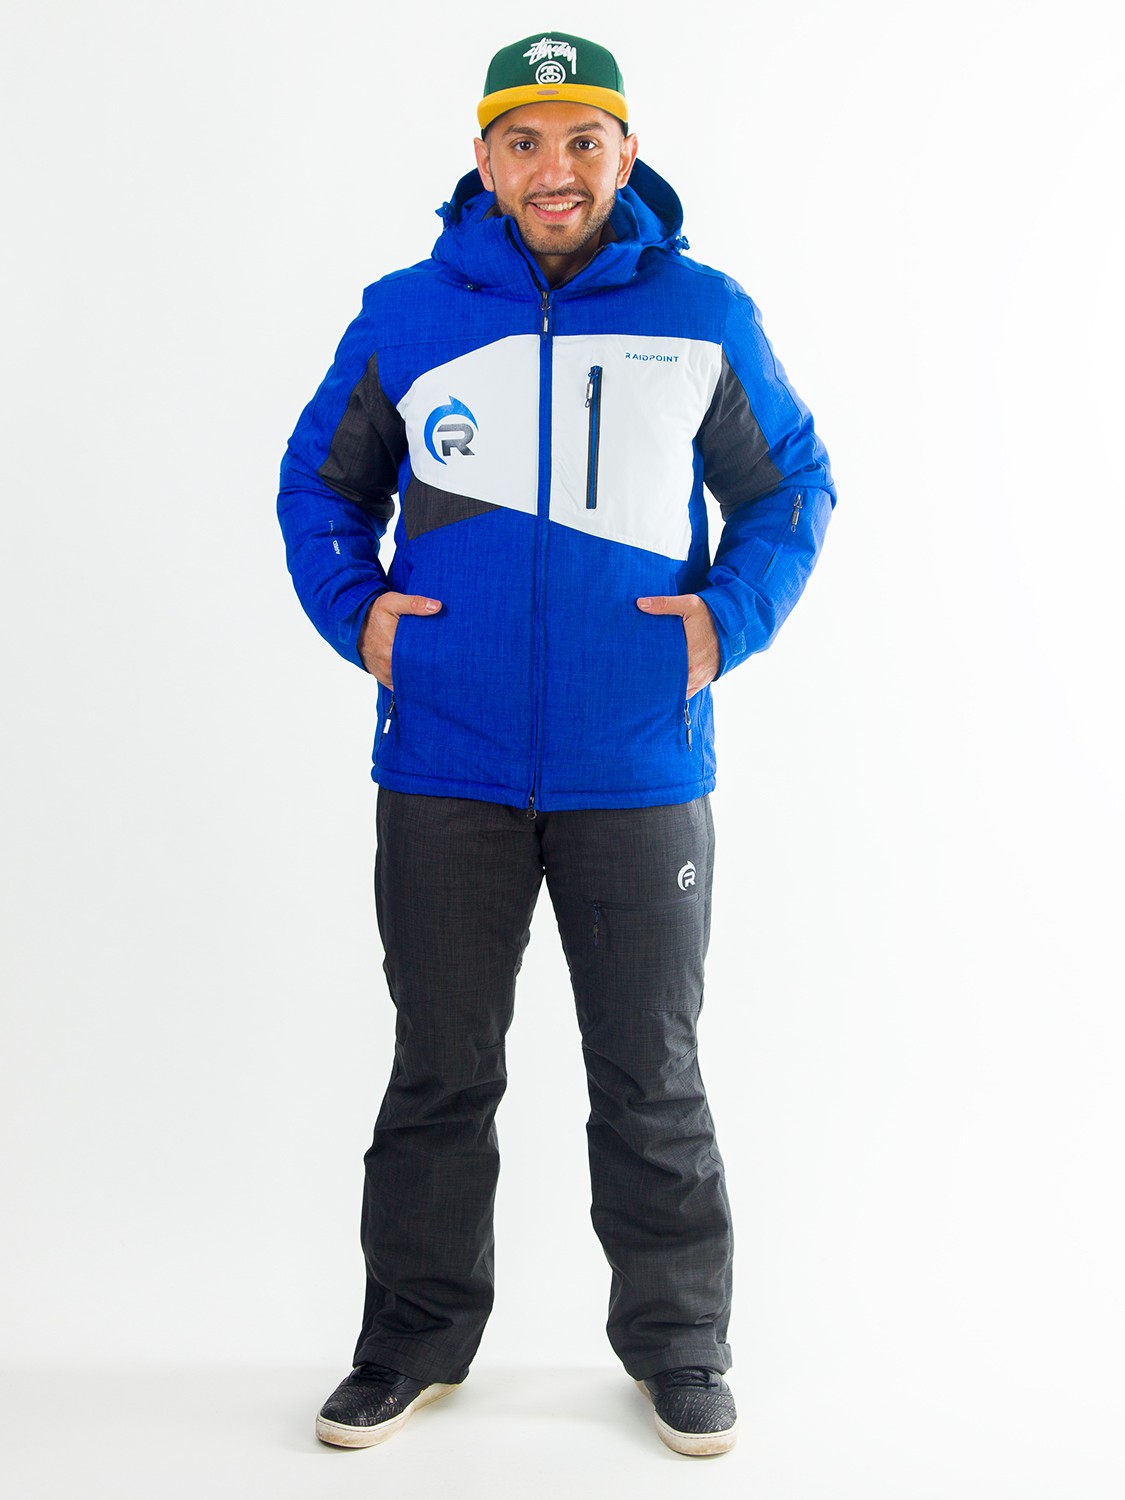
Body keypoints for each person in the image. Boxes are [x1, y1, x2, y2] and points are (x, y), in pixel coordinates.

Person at [277, 30, 835, 1458]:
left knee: (651, 1073)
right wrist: (360, 615)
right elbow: (319, 487)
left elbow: (790, 486)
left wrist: (727, 619)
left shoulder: (702, 311)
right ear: (484, 160)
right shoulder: (406, 314)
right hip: (444, 762)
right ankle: (410, 1345)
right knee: (438, 1069)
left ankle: (680, 1347)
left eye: (584, 140)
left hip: (637, 764)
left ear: (625, 154)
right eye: (524, 142)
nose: (555, 170)